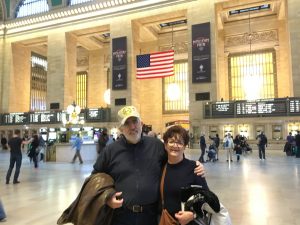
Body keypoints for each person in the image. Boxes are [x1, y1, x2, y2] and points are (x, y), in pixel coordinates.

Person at [92, 105, 205, 225]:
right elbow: (95, 177)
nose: (132, 127)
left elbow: (175, 160)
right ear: (121, 128)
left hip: (150, 216)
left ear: (141, 123)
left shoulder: (156, 146)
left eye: (135, 121)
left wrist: (194, 165)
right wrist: (107, 197)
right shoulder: (111, 151)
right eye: (127, 123)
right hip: (120, 216)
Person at [160, 125, 209, 224]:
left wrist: (193, 214)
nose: (175, 145)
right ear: (165, 145)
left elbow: (207, 198)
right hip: (168, 221)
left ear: (185, 146)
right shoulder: (161, 168)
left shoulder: (194, 168)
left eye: (179, 143)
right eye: (171, 141)